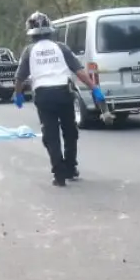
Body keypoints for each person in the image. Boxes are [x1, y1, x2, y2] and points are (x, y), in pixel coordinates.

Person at [13, 11, 103, 187]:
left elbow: (19, 78)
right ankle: (70, 168)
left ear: (31, 34)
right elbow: (79, 72)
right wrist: (95, 89)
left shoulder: (29, 51)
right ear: (50, 30)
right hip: (63, 93)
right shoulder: (61, 48)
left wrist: (18, 94)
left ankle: (59, 174)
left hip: (43, 96)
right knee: (70, 132)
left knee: (51, 135)